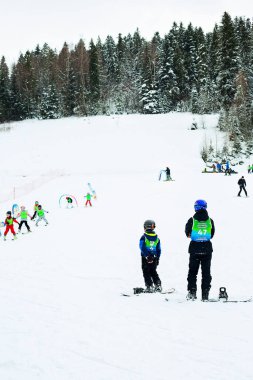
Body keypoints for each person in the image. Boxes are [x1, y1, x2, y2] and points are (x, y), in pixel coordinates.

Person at [185, 200, 215, 301]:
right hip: (207, 249)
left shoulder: (191, 220)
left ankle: (192, 293)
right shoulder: (210, 220)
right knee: (206, 273)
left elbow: (187, 233)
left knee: (193, 272)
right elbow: (212, 234)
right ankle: (205, 295)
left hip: (194, 249)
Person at [139, 219, 162, 292]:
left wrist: (147, 256)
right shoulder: (157, 238)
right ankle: (158, 285)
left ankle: (149, 286)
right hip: (154, 257)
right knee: (153, 271)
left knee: (146, 271)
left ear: (145, 227)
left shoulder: (144, 237)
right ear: (153, 227)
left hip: (145, 258)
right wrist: (157, 258)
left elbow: (142, 247)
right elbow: (158, 249)